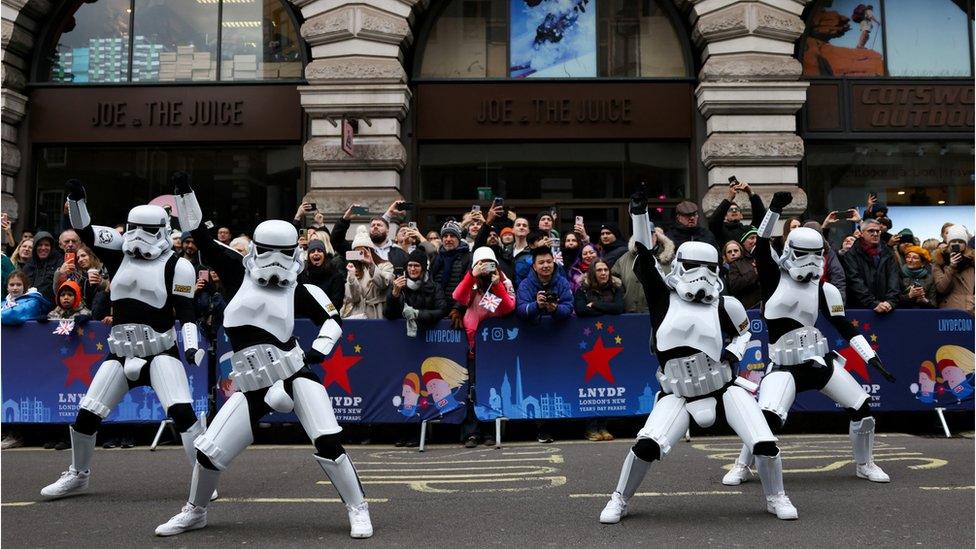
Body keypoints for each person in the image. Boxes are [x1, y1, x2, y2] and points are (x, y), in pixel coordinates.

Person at [158, 173, 372, 539]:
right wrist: (185, 194)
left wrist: (317, 352)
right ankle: (195, 510)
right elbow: (201, 236)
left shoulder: (301, 289)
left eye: (283, 253)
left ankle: (358, 507)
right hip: (251, 382)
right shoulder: (235, 272)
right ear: (254, 248)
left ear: (296, 252)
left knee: (327, 440)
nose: (274, 261)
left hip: (293, 373)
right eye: (267, 251)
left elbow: (332, 322)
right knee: (208, 452)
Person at [600, 187, 796, 524]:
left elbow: (746, 333)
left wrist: (734, 356)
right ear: (678, 265)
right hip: (678, 392)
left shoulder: (725, 304)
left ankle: (776, 496)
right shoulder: (663, 298)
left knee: (764, 442)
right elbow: (645, 257)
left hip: (723, 388)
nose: (702, 275)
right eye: (693, 266)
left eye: (709, 267)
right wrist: (639, 212)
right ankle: (620, 498)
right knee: (647, 446)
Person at [41, 179, 207, 501]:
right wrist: (77, 199)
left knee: (183, 414)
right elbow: (86, 232)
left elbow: (186, 312)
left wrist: (190, 345)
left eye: (145, 230)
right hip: (119, 351)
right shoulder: (119, 254)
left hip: (161, 350)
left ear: (162, 230)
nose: (137, 237)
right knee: (87, 413)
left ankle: (205, 475)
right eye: (133, 228)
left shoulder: (177, 265)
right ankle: (78, 473)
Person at [722, 192, 894, 489]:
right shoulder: (774, 279)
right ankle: (742, 464)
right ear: (789, 251)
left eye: (818, 255)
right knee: (765, 420)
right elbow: (762, 246)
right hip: (784, 365)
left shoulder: (824, 290)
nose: (812, 262)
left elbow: (844, 326)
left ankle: (865, 464)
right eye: (804, 254)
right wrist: (773, 209)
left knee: (862, 410)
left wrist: (869, 356)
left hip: (820, 363)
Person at [841, 218, 900, 314]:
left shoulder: (887, 253)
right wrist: (872, 303)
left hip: (887, 307)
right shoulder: (851, 254)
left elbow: (894, 279)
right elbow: (855, 280)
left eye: (878, 231)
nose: (875, 234)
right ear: (862, 233)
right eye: (871, 231)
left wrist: (891, 301)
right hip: (860, 309)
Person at [385, 248, 448, 337]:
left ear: (423, 268)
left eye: (416, 265)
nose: (412, 269)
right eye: (410, 265)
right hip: (401, 335)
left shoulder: (434, 287)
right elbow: (388, 314)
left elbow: (442, 311)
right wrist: (394, 295)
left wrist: (418, 314)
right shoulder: (398, 285)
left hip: (427, 334)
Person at [612, 228, 675, 314]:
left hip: (662, 315)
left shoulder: (671, 260)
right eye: (642, 236)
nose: (646, 239)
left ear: (655, 236)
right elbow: (613, 280)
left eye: (650, 235)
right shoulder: (624, 259)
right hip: (631, 315)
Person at [340, 227, 393, 319]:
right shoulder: (353, 269)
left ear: (370, 251)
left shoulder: (385, 265)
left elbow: (383, 284)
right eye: (358, 251)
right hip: (357, 314)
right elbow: (354, 298)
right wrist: (352, 276)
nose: (361, 254)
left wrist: (371, 264)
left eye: (364, 250)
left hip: (376, 313)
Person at [429, 220, 472, 326]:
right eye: (445, 236)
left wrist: (458, 309)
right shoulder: (436, 258)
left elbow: (469, 285)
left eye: (452, 236)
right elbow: (430, 283)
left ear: (458, 238)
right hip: (438, 312)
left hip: (459, 313)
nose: (448, 239)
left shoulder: (467, 257)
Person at [516, 246, 573, 324]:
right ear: (534, 266)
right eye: (541, 263)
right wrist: (537, 305)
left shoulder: (563, 282)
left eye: (549, 262)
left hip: (558, 330)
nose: (546, 265)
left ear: (553, 262)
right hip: (532, 331)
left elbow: (569, 307)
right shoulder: (525, 285)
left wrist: (556, 309)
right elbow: (521, 310)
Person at [933, 224, 974, 316]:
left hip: (969, 309)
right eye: (953, 241)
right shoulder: (939, 261)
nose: (957, 244)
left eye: (960, 241)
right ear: (948, 243)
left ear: (965, 244)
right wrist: (951, 267)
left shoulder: (972, 261)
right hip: (948, 311)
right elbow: (941, 289)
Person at [708, 181, 767, 245]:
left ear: (741, 215)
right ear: (725, 216)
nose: (734, 211)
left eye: (737, 209)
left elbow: (761, 218)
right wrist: (729, 198)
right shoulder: (720, 231)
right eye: (730, 210)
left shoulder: (748, 230)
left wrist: (750, 192)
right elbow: (713, 222)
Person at [300, 239, 345, 313]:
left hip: (328, 317)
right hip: (307, 318)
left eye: (319, 251)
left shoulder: (335, 275)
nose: (316, 253)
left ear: (324, 255)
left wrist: (322, 312)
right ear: (308, 256)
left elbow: (337, 301)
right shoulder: (303, 275)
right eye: (312, 251)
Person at [24, 231, 61, 303]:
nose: (43, 248)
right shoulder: (30, 263)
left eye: (47, 245)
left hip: (49, 303)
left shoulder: (59, 261)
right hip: (27, 301)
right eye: (40, 245)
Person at [722, 240, 760, 309]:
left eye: (735, 251)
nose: (733, 253)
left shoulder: (751, 260)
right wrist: (754, 272)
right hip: (749, 306)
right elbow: (735, 285)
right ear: (725, 256)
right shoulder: (725, 270)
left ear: (741, 252)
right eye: (729, 252)